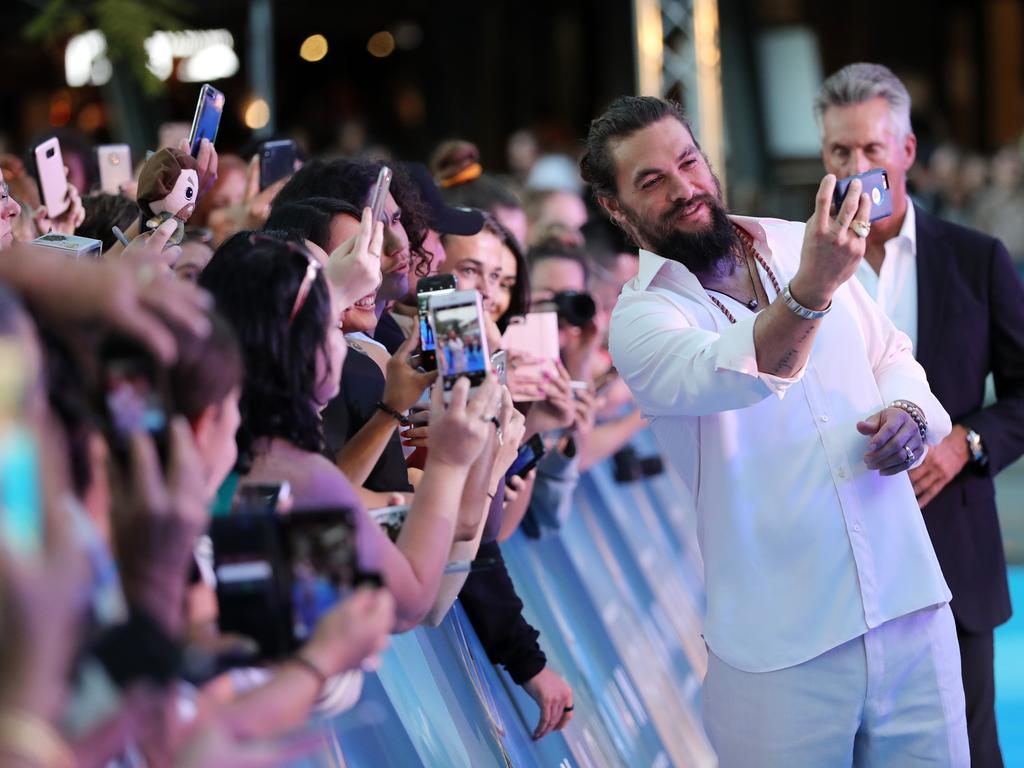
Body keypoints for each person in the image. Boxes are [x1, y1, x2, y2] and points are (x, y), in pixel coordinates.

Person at [588, 95, 966, 766]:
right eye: (652, 181)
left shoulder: (798, 241)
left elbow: (891, 356)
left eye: (688, 161)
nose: (684, 188)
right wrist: (813, 288)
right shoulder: (641, 321)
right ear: (615, 208)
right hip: (780, 653)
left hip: (909, 604)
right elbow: (736, 372)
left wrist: (909, 415)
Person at [816, 62, 1024, 768]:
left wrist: (965, 442)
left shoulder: (976, 259)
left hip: (953, 558)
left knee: (969, 753)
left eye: (872, 150)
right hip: (831, 567)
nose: (856, 167)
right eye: (840, 153)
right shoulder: (795, 270)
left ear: (905, 152)